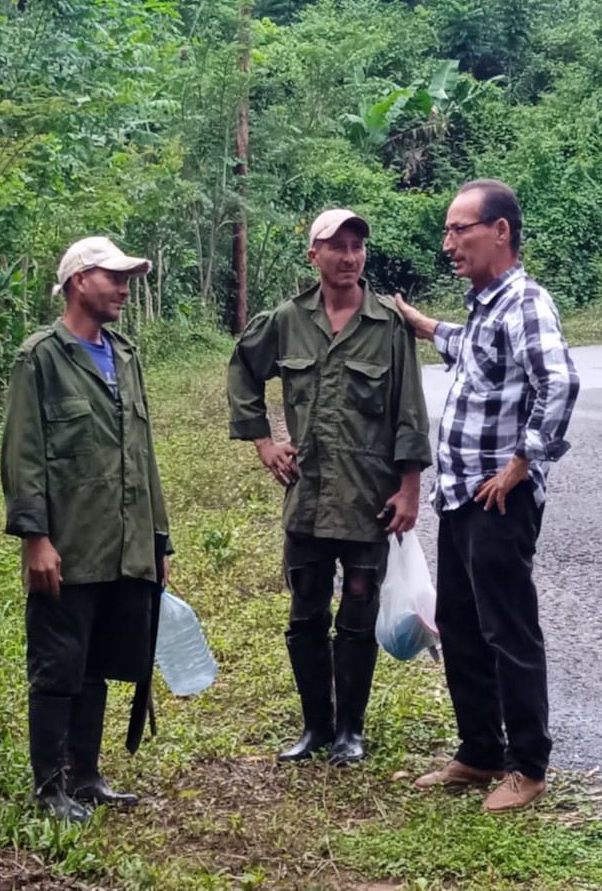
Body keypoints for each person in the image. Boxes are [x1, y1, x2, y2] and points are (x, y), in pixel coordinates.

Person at [396, 179, 580, 812]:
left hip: (499, 499)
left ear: (500, 231)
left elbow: (559, 382)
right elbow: (471, 349)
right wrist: (422, 325)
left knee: (508, 630)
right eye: (447, 231)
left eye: (459, 229)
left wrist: (522, 462)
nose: (449, 243)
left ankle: (528, 767)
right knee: (460, 624)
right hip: (460, 496)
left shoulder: (526, 300)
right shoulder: (486, 307)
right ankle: (479, 753)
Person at [227, 209, 432, 765]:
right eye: (337, 246)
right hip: (309, 494)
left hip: (369, 496)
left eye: (357, 246)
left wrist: (410, 488)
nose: (349, 257)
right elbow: (243, 368)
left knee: (359, 609)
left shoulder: (388, 325)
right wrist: (264, 442)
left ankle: (351, 733)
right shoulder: (287, 320)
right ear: (313, 254)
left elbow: (409, 411)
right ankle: (316, 728)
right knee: (305, 611)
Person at [1, 237, 172, 822]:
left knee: (98, 661)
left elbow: (142, 454)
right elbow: (23, 455)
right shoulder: (40, 358)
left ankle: (87, 776)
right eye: (113, 277)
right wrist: (36, 539)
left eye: (127, 278)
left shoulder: (124, 354)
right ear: (78, 281)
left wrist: (158, 540)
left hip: (123, 543)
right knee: (58, 666)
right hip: (68, 544)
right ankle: (50, 788)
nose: (124, 288)